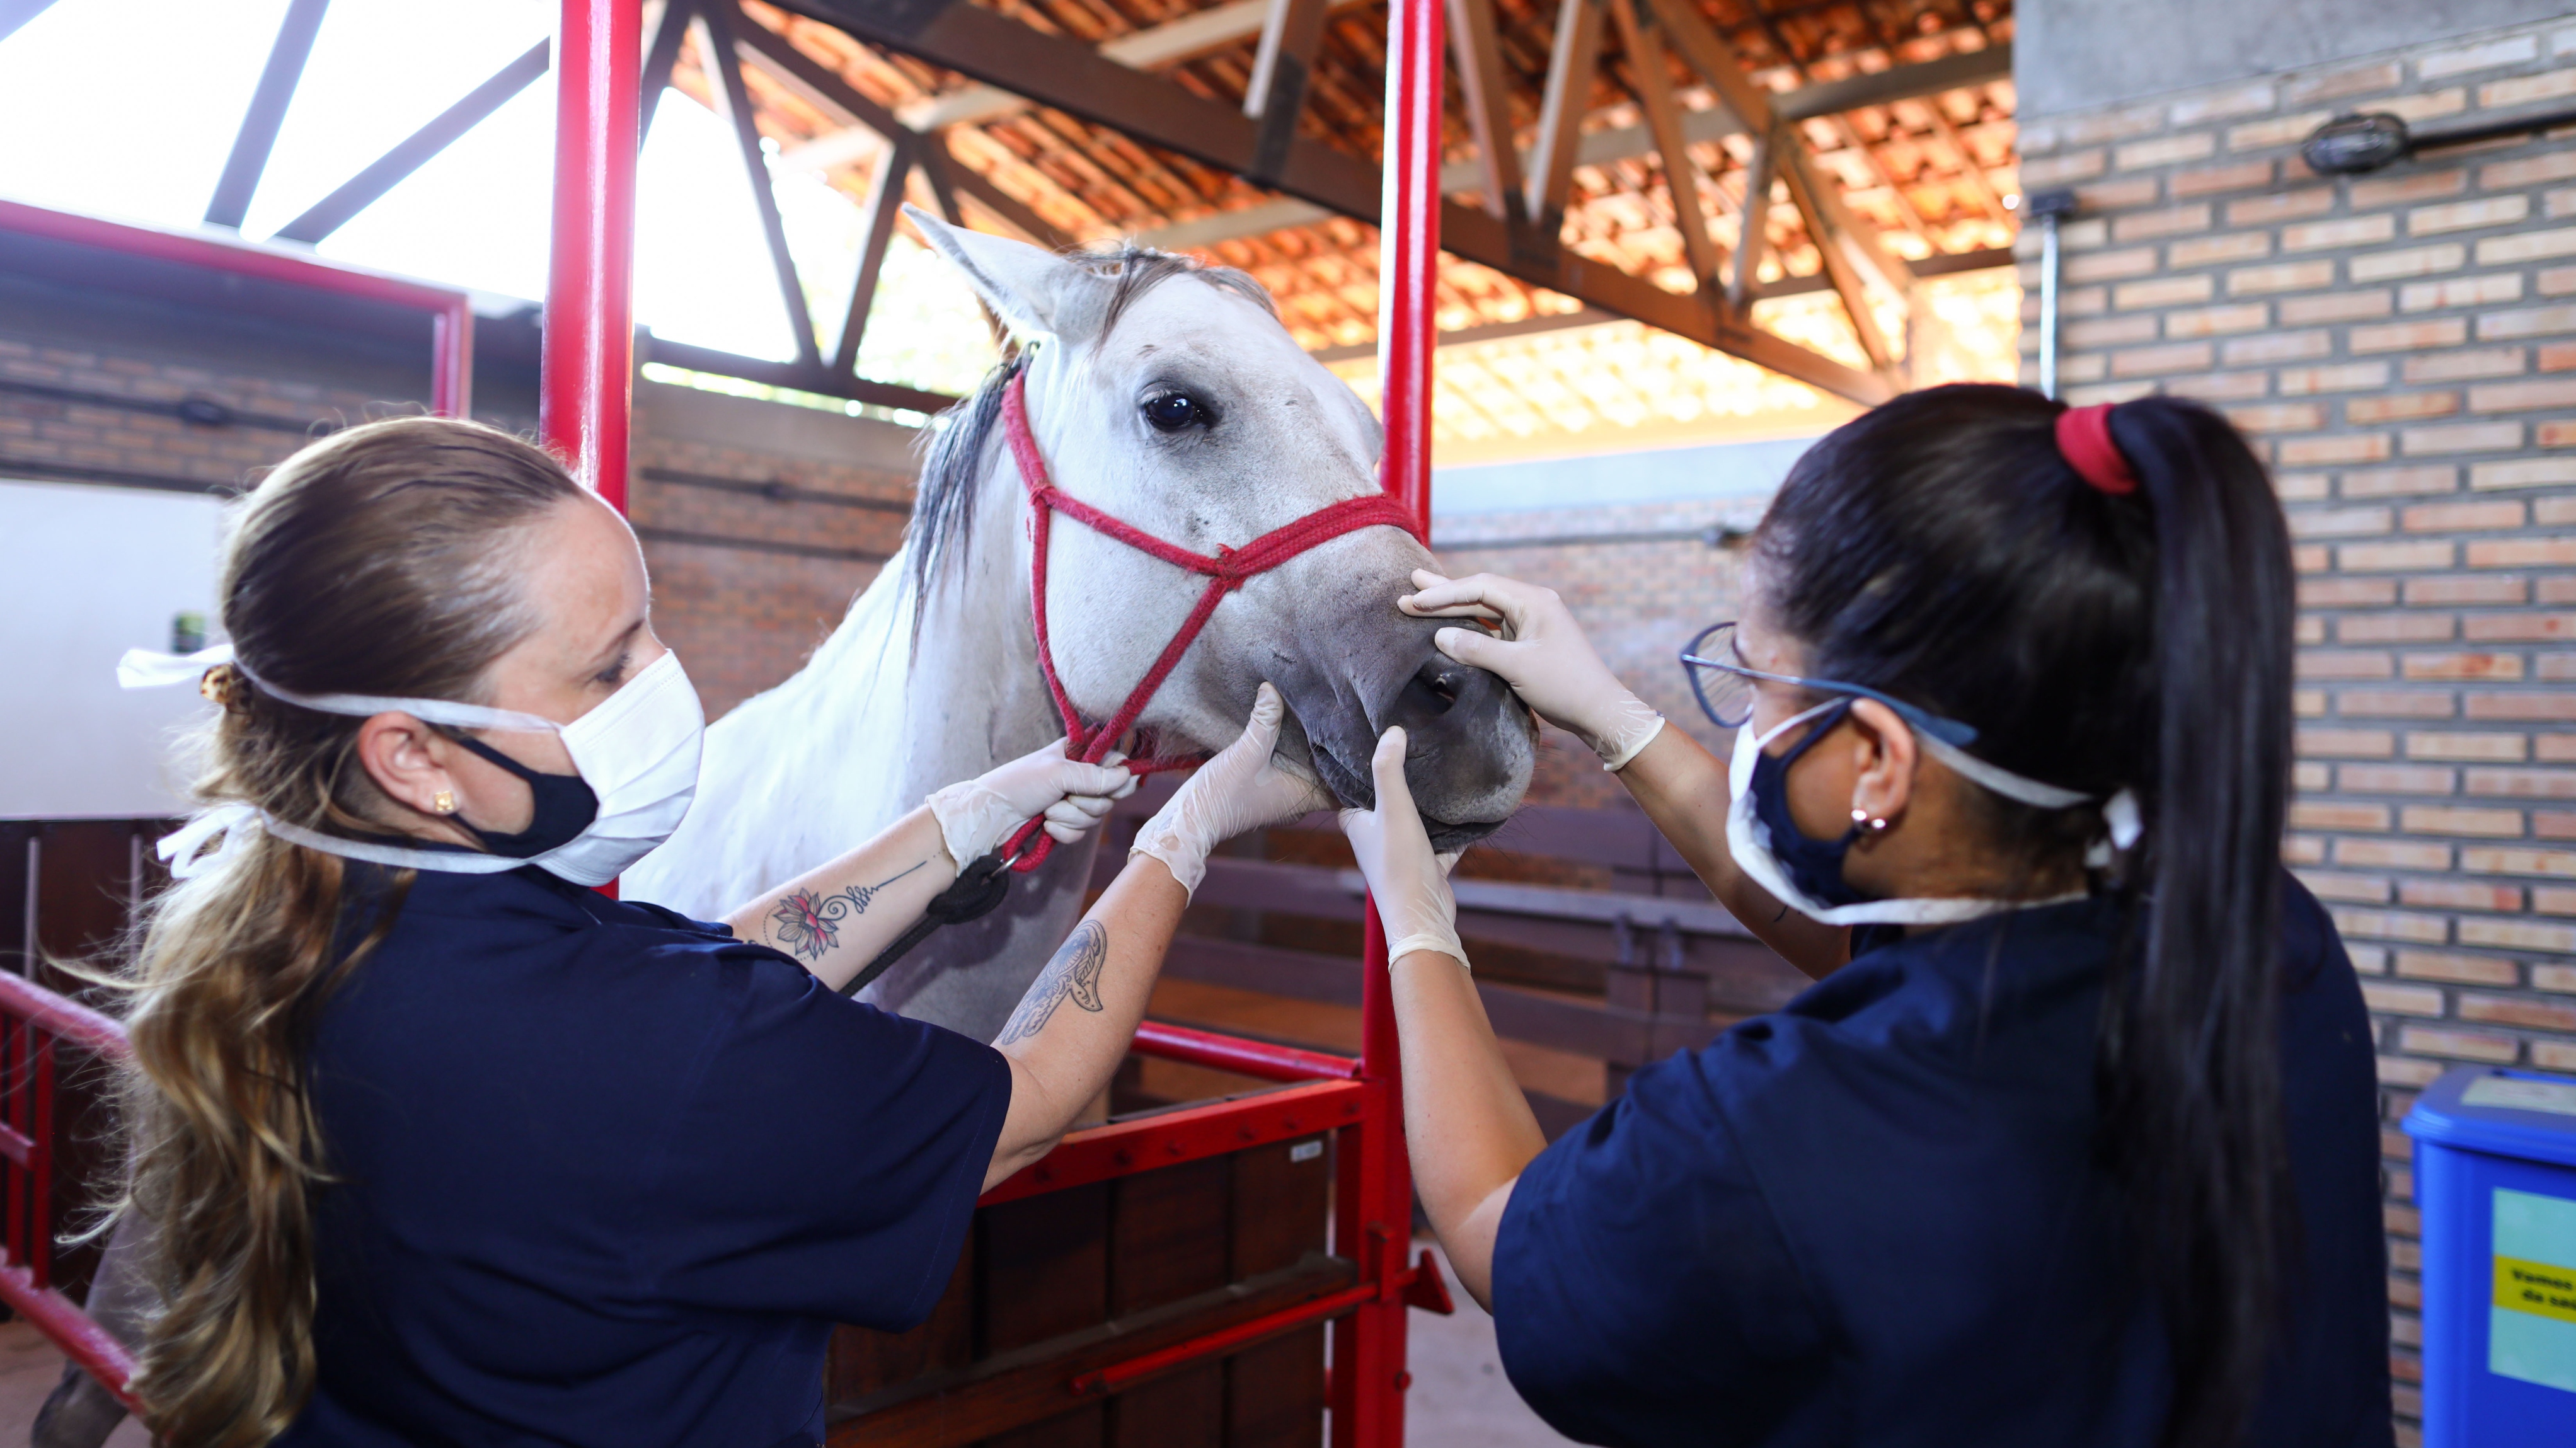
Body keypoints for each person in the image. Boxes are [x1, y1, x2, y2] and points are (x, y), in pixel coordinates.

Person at [96, 417, 1323, 1448]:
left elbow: (697, 980)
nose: (664, 683)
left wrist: (954, 825)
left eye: (648, 630)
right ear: (414, 756)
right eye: (607, 667)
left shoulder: (309, 931)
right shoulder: (666, 1052)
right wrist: (1181, 839)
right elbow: (1037, 1095)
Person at [1337, 386, 2391, 1447]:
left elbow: (1492, 1228)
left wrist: (1419, 919)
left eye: (1759, 681)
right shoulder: (2264, 940)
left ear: (1881, 760)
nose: (1747, 713)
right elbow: (1867, 943)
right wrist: (1611, 714)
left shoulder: (1776, 1131)